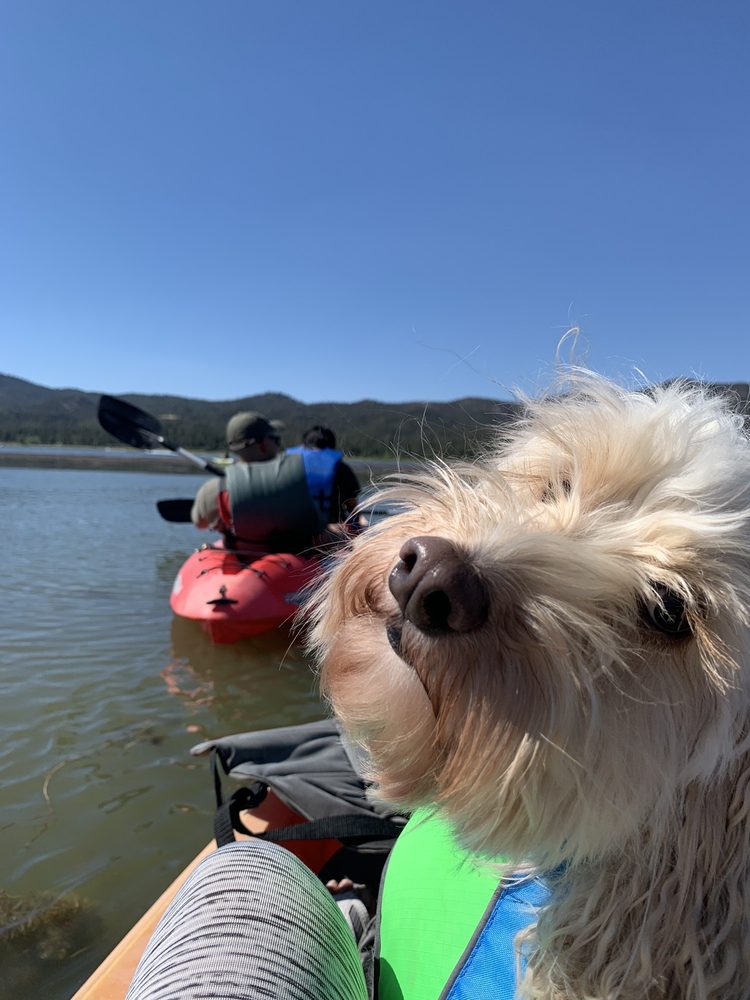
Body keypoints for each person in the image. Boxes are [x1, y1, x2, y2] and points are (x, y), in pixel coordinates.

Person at [190, 414, 356, 551]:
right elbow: (314, 528)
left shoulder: (213, 488)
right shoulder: (294, 480)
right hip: (292, 563)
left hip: (240, 559)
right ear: (263, 444)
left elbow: (200, 523)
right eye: (275, 439)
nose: (278, 443)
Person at [286, 425, 361, 525]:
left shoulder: (288, 466)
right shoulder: (342, 469)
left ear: (304, 445)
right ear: (332, 447)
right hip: (330, 527)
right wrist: (357, 526)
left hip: (293, 526)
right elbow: (352, 505)